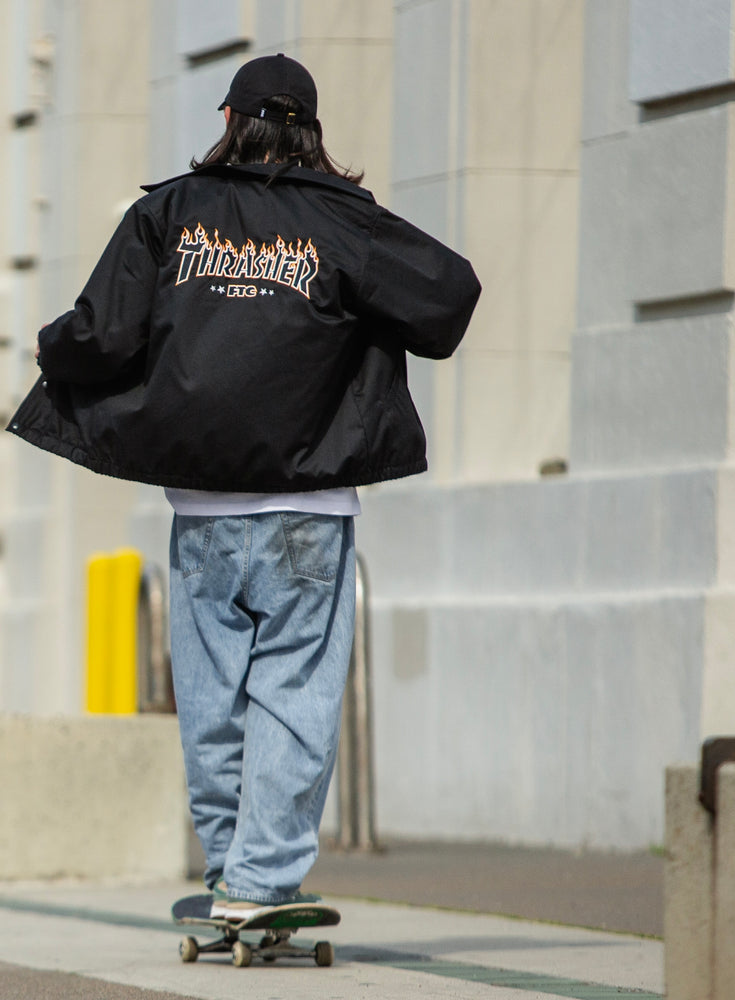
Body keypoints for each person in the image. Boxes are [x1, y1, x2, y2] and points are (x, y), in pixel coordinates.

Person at [7, 53, 480, 919]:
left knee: (211, 702)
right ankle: (260, 883)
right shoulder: (344, 222)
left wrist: (48, 346)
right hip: (308, 509)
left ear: (228, 122)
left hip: (202, 510)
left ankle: (231, 873)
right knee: (295, 696)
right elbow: (449, 296)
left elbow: (99, 336)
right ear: (313, 134)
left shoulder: (167, 214)